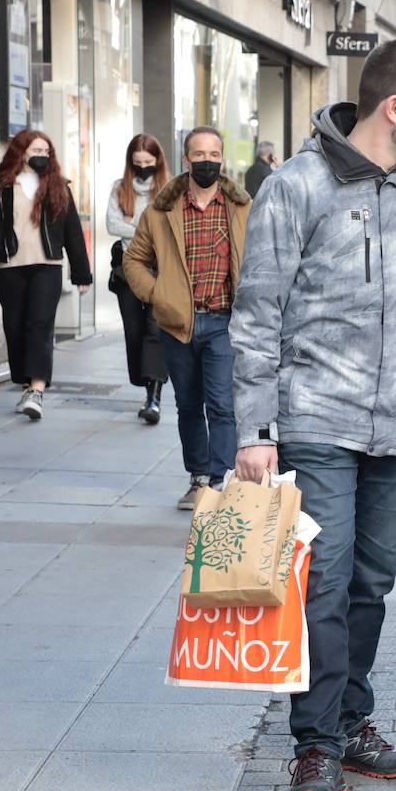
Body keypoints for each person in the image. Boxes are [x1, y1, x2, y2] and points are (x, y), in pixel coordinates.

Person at [230, 40, 396, 791]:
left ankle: (351, 717)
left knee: (372, 582)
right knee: (326, 582)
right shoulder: (296, 186)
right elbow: (257, 311)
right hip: (317, 418)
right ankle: (315, 746)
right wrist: (254, 426)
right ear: (395, 108)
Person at [123, 126, 250, 510]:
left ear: (222, 159)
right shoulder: (162, 210)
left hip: (225, 322)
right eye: (200, 155)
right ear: (186, 159)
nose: (207, 161)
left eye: (214, 155)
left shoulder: (243, 207)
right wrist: (159, 296)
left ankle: (221, 480)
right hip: (178, 324)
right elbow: (134, 260)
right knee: (190, 405)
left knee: (222, 404)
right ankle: (197, 478)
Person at [0, 130, 92, 420]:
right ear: (20, 153)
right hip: (10, 267)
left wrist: (81, 273)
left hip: (48, 266)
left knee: (39, 324)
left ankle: (37, 389)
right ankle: (26, 381)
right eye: (36, 151)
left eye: (46, 152)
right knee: (15, 326)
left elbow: (72, 231)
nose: (42, 157)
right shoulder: (0, 186)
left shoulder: (59, 186)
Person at [106, 133, 170, 424]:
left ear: (158, 161)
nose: (144, 166)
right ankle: (146, 385)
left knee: (155, 330)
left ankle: (153, 397)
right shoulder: (119, 188)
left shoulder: (171, 189)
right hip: (128, 270)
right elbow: (111, 224)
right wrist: (149, 229)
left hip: (162, 269)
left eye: (149, 161)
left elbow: (172, 229)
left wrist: (133, 225)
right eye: (138, 162)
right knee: (134, 331)